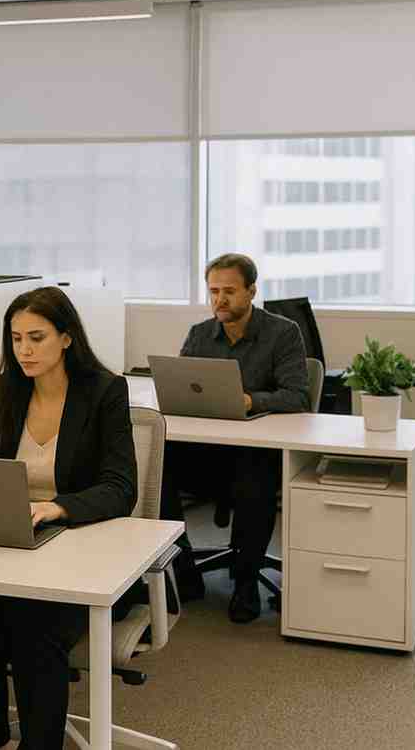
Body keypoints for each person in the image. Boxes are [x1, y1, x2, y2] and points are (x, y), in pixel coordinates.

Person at [0, 286, 137, 750]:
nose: (24, 351)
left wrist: (58, 507)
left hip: (76, 548)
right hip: (8, 546)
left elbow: (121, 487)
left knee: (36, 634)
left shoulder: (104, 392)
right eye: (16, 339)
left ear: (67, 339)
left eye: (37, 338)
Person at [161, 253, 309, 623]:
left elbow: (298, 397)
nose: (220, 300)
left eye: (229, 291)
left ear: (251, 291)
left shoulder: (283, 332)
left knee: (253, 474)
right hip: (207, 452)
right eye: (213, 291)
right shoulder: (200, 334)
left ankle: (245, 581)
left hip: (257, 454)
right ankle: (183, 570)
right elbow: (182, 389)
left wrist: (249, 400)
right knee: (154, 466)